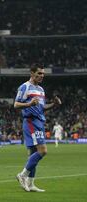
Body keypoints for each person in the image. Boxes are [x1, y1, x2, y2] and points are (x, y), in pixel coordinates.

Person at [14, 63, 62, 192]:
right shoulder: (25, 87)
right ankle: (22, 175)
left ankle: (30, 184)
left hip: (39, 122)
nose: (41, 76)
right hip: (31, 122)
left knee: (33, 154)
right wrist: (29, 103)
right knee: (43, 151)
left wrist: (53, 104)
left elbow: (41, 108)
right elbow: (16, 104)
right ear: (32, 73)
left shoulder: (41, 90)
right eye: (39, 73)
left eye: (43, 74)